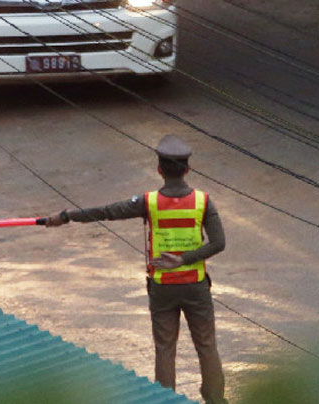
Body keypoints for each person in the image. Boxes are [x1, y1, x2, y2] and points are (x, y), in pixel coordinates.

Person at [46, 134, 227, 404]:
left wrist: (66, 216)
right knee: (207, 346)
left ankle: (165, 400)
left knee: (165, 349)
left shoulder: (149, 202)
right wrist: (186, 259)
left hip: (162, 288)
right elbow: (219, 243)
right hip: (196, 286)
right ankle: (215, 400)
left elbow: (107, 211)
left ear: (159, 170)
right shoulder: (203, 201)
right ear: (188, 170)